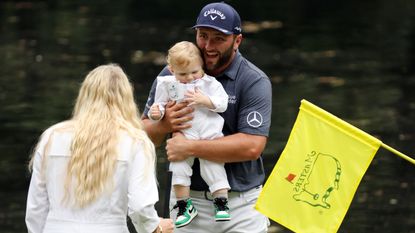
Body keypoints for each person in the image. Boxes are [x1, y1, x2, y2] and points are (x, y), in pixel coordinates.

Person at [142, 2, 272, 233]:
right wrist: (165, 123)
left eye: (219, 39)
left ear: (237, 40)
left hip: (240, 205)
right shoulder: (172, 74)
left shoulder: (253, 80)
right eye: (203, 36)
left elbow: (252, 146)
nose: (208, 46)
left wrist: (189, 148)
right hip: (185, 202)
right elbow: (143, 138)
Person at [25, 64, 174, 233]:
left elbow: (36, 209)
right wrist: (155, 228)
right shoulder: (135, 142)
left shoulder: (51, 137)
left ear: (84, 95)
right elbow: (140, 207)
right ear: (126, 99)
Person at [148, 41, 231, 228]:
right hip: (183, 135)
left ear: (201, 65)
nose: (190, 77)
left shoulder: (209, 83)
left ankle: (221, 203)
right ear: (171, 70)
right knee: (178, 168)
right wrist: (157, 113)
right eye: (182, 74)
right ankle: (184, 205)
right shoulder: (167, 84)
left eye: (194, 72)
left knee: (213, 167)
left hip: (208, 135)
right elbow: (159, 105)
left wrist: (206, 100)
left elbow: (223, 103)